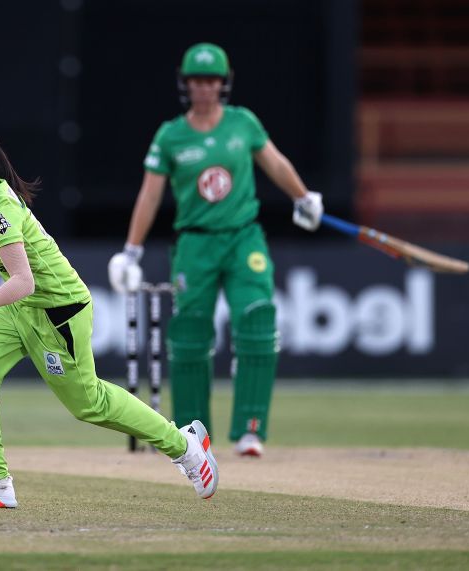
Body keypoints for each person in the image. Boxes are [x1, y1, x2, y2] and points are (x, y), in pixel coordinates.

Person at [0, 129, 219, 508]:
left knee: (89, 403)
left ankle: (186, 447)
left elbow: (24, 280)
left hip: (58, 311)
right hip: (20, 307)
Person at [108, 43, 323, 458]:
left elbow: (274, 163)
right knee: (188, 334)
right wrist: (131, 251)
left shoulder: (242, 123)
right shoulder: (171, 135)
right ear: (185, 84)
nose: (204, 88)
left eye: (211, 80)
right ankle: (192, 436)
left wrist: (302, 197)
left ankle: (250, 429)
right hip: (195, 242)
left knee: (257, 319)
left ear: (223, 84)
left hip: (243, 237)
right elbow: (150, 196)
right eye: (196, 81)